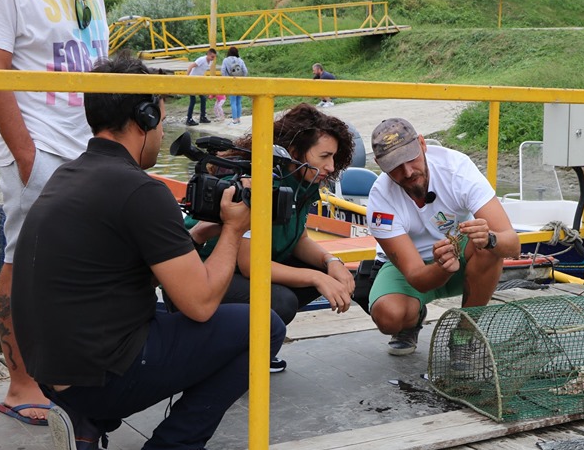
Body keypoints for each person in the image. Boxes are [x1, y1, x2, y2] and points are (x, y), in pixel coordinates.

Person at [12, 55, 286, 450]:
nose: (162, 128)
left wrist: (196, 236)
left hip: (55, 372)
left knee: (160, 318)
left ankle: (88, 425)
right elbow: (199, 304)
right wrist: (234, 228)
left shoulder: (70, 174)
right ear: (145, 115)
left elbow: (116, 273)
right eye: (161, 112)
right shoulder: (140, 190)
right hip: (99, 374)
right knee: (260, 325)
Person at [0, 0, 109, 426]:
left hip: (90, 141)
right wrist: (26, 155)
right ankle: (20, 382)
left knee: (85, 260)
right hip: (40, 143)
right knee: (22, 257)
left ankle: (73, 371)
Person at [198, 104, 354, 371]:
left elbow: (299, 238)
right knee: (281, 300)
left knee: (327, 275)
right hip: (203, 274)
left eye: (334, 157)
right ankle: (228, 355)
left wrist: (331, 262)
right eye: (324, 156)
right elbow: (250, 265)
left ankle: (253, 343)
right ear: (293, 152)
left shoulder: (302, 182)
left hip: (241, 271)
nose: (330, 166)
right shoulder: (259, 179)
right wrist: (318, 277)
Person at [365, 118, 519, 357]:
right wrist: (443, 268)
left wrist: (490, 239)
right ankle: (413, 319)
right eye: (395, 165)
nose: (407, 172)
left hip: (461, 253)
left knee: (489, 247)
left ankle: (465, 334)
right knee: (388, 317)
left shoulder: (457, 168)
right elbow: (417, 277)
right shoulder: (379, 199)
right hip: (414, 268)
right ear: (379, 165)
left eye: (411, 158)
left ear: (422, 144)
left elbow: (512, 244)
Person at [186, 48, 217, 126]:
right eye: (212, 57)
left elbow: (202, 71)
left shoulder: (210, 62)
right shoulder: (201, 60)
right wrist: (187, 78)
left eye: (214, 57)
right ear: (208, 55)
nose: (213, 59)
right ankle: (189, 119)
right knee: (193, 100)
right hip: (192, 81)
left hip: (199, 81)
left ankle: (202, 117)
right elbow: (191, 66)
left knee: (203, 98)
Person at [221, 46, 248, 125]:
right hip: (240, 82)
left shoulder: (226, 60)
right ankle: (239, 119)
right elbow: (245, 71)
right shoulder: (240, 60)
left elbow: (223, 71)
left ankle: (234, 120)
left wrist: (226, 79)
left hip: (231, 82)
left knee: (233, 101)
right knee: (239, 101)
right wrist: (242, 78)